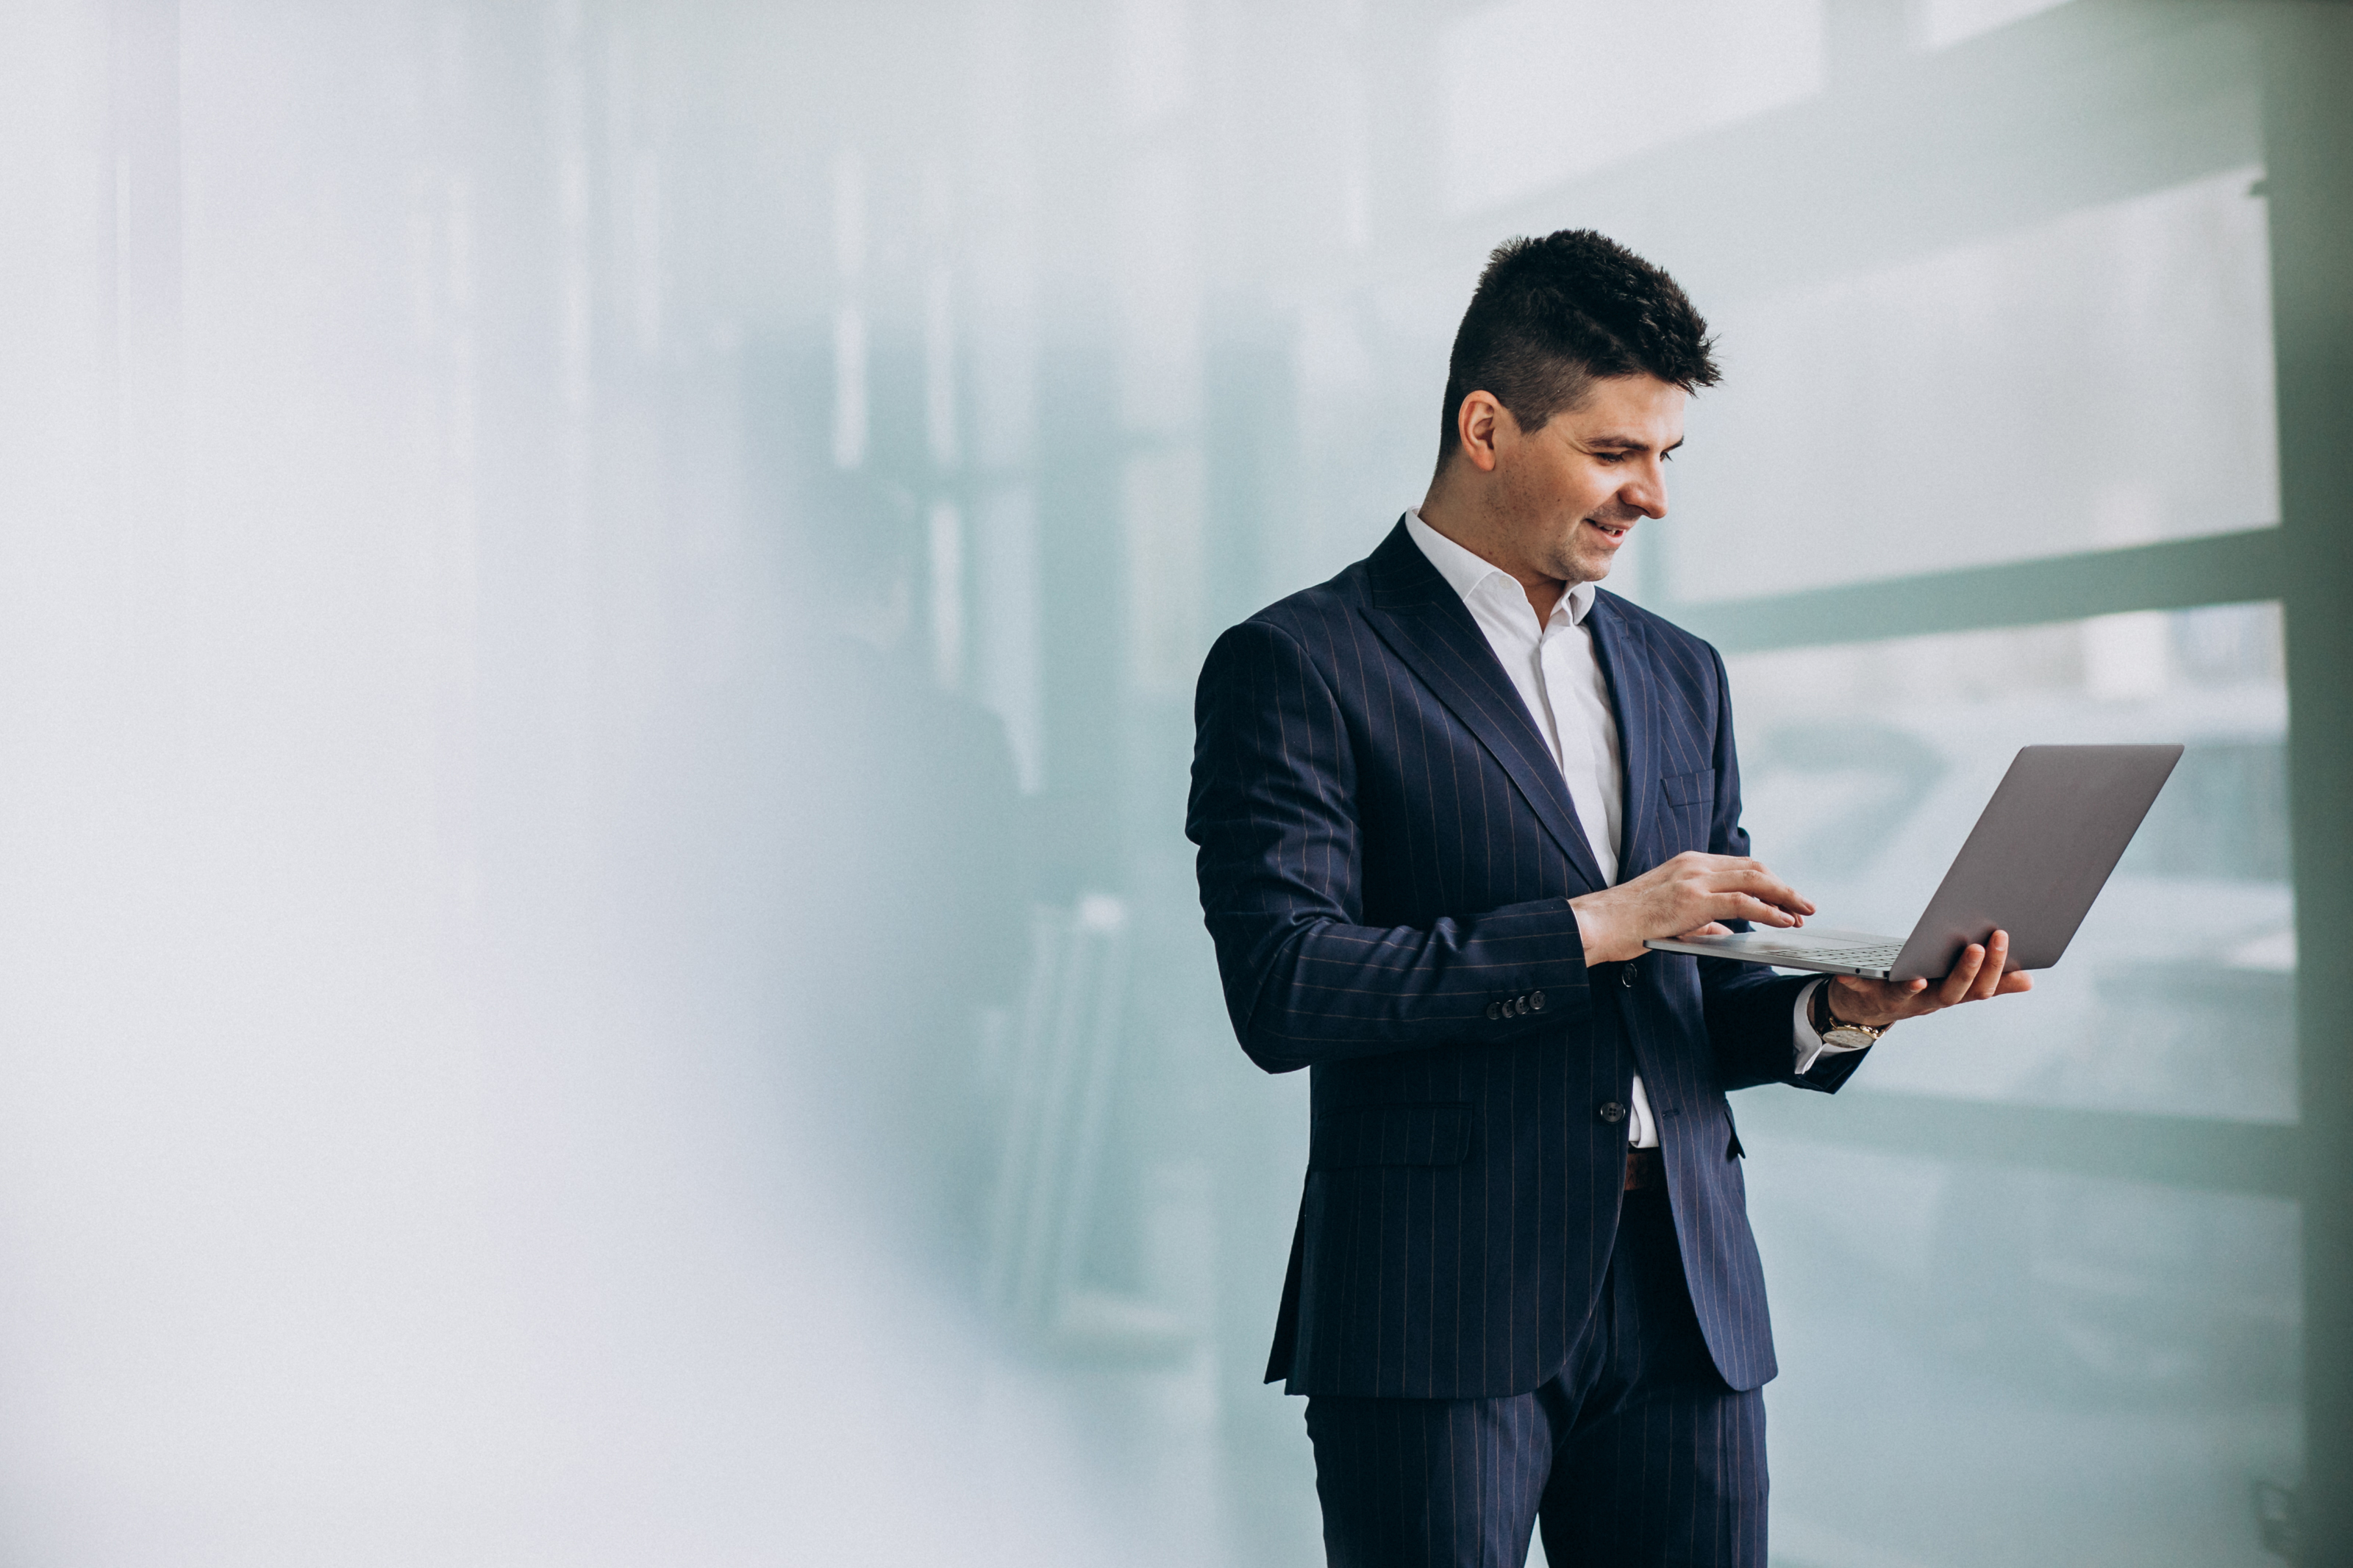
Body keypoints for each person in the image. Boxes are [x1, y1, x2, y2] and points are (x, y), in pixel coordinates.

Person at [1184, 230, 2029, 1568]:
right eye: (1614, 453)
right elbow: (1288, 987)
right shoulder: (1299, 663)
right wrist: (1602, 922)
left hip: (1686, 1297)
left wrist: (1835, 1007)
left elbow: (1694, 1005)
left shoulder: (1680, 673)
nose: (1654, 498)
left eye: (1669, 458)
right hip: (1437, 1304)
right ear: (1485, 427)